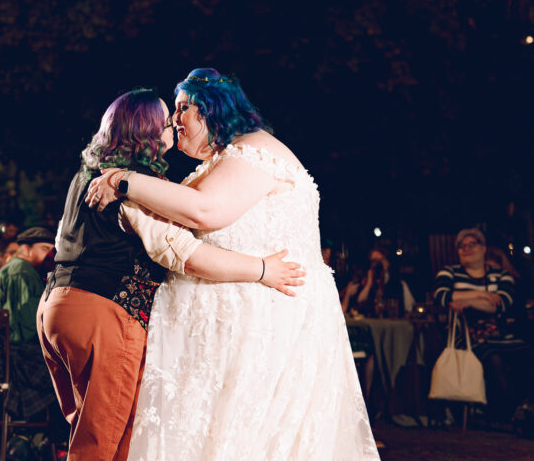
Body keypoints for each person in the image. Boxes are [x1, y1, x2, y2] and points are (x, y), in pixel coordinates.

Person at [87, 69, 380, 461]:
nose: (175, 120)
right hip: (227, 338)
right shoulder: (220, 163)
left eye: (183, 108)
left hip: (266, 330)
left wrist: (124, 180)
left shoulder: (253, 150)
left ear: (213, 110)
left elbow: (206, 211)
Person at [38, 87, 303, 461]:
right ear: (146, 132)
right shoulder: (136, 186)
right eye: (165, 123)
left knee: (86, 427)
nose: (174, 128)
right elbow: (184, 254)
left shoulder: (87, 175)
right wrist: (262, 269)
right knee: (109, 441)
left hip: (54, 308)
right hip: (102, 310)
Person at [433, 226, 533, 423]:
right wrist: (484, 295)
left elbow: (501, 304)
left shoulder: (501, 276)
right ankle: (506, 413)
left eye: (472, 245)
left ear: (483, 248)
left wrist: (467, 301)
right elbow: (444, 296)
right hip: (466, 337)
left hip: (500, 334)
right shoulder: (449, 273)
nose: (466, 249)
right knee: (493, 358)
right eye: (461, 246)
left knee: (527, 354)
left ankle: (524, 408)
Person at [0, 227, 58, 423]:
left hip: (0, 350)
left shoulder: (24, 270)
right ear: (26, 248)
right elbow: (22, 329)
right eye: (44, 248)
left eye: (52, 249)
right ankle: (35, 436)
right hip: (0, 355)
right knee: (62, 370)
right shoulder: (20, 270)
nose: (50, 254)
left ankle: (36, 436)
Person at [342, 246, 415, 318]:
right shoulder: (364, 282)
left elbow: (410, 308)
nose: (377, 264)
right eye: (373, 261)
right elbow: (359, 304)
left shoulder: (399, 284)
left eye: (380, 260)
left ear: (387, 262)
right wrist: (369, 283)